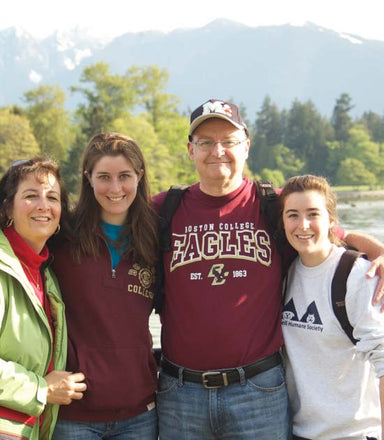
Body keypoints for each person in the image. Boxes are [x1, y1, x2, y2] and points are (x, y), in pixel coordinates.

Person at [153, 98, 384, 439]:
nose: (218, 151)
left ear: (246, 146)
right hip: (181, 392)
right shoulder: (163, 208)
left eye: (229, 141)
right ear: (191, 150)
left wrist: (379, 251)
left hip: (258, 391)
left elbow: (332, 234)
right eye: (206, 142)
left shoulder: (274, 204)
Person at [0, 158, 87, 440]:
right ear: (7, 207)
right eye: (31, 195)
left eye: (52, 197)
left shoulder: (44, 272)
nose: (43, 205)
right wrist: (42, 390)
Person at [51, 132, 159, 439]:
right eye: (104, 177)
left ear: (139, 176)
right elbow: (7, 258)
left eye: (124, 176)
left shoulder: (157, 236)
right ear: (88, 178)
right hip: (74, 412)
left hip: (139, 413)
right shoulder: (62, 234)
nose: (115, 188)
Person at [279, 174, 384, 440]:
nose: (303, 225)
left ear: (332, 222)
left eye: (313, 214)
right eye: (293, 215)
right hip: (299, 433)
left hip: (355, 433)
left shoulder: (357, 274)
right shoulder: (285, 272)